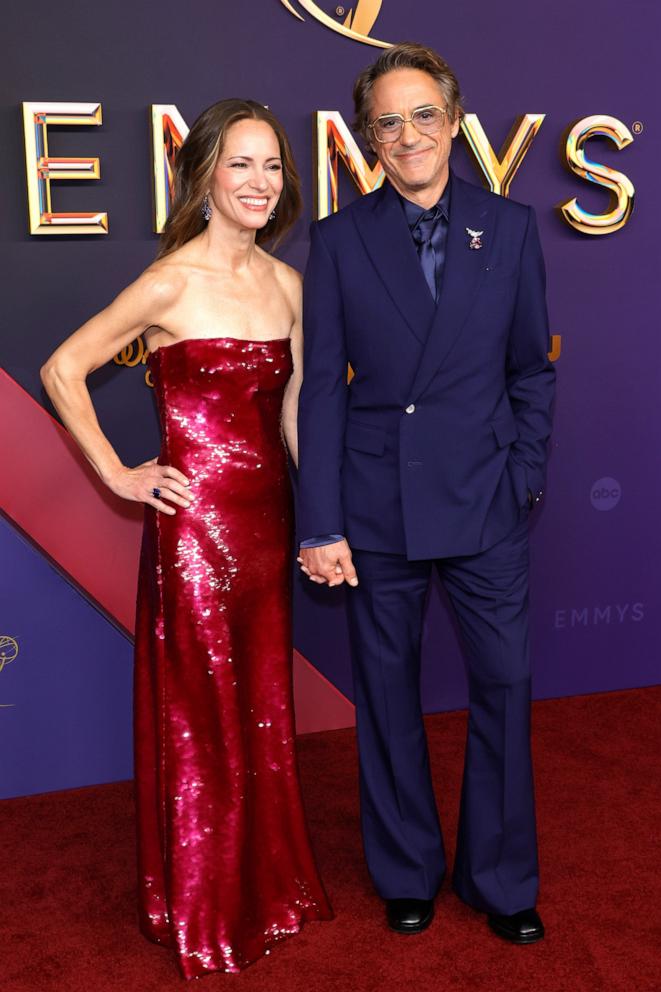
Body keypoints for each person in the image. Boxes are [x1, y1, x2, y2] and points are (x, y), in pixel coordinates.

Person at [41, 98, 332, 979]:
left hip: (268, 522)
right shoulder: (171, 280)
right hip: (195, 532)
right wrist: (117, 473)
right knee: (202, 715)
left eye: (272, 165)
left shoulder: (288, 286)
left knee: (262, 705)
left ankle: (270, 886)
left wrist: (319, 518)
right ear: (205, 175)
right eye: (240, 164)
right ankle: (204, 906)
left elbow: (293, 415)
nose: (258, 182)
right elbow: (64, 367)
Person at [297, 44, 555, 944]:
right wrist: (320, 520)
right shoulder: (336, 240)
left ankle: (498, 876)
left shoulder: (512, 229)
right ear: (369, 137)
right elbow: (320, 385)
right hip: (376, 505)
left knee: (505, 685)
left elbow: (532, 370)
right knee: (389, 690)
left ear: (454, 122)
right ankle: (406, 868)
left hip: (486, 500)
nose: (408, 135)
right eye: (388, 121)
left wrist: (523, 474)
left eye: (423, 116)